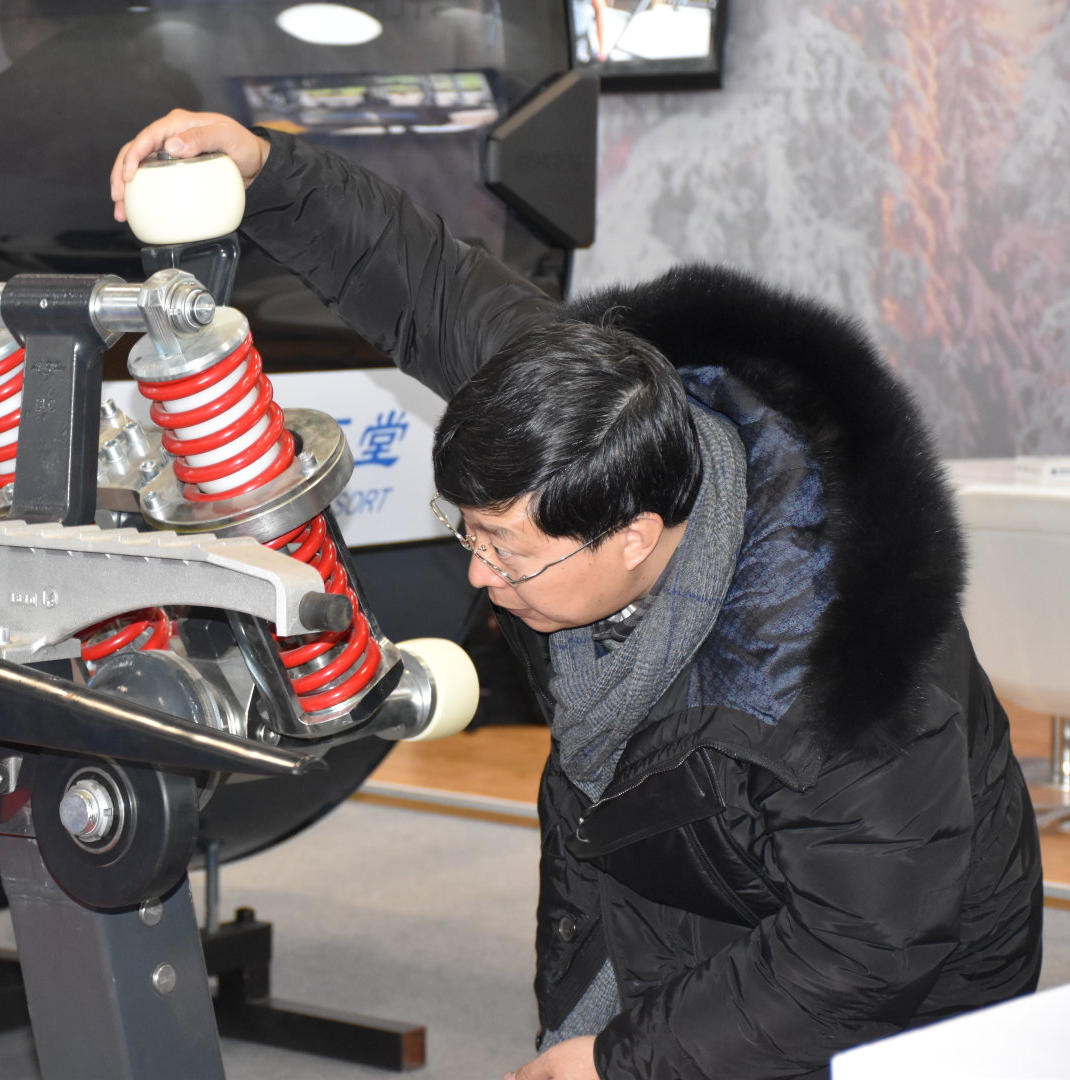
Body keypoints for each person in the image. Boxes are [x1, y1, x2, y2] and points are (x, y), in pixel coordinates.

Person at [109, 111, 1043, 1080]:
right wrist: (267, 169)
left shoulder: (847, 679)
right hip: (680, 882)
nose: (481, 576)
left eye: (508, 554)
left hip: (901, 998)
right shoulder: (587, 416)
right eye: (467, 533)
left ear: (634, 535)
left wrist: (624, 1060)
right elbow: (424, 284)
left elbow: (866, 948)